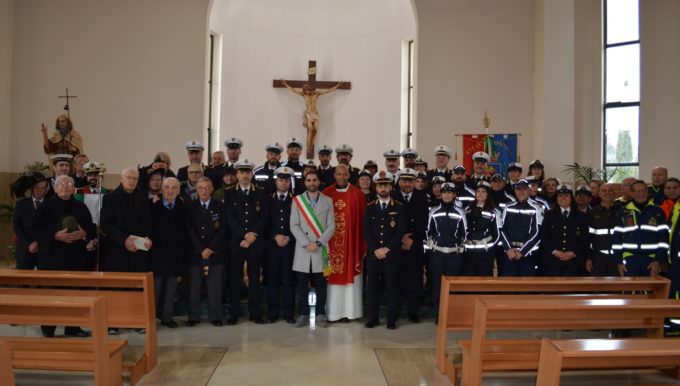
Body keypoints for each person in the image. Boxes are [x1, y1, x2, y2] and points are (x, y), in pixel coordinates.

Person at [30, 175, 96, 337]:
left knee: (74, 293)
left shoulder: (81, 207)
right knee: (50, 294)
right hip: (51, 258)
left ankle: (72, 327)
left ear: (74, 188)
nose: (65, 187)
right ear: (55, 187)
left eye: (68, 184)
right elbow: (34, 229)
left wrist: (84, 233)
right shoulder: (46, 207)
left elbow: (92, 229)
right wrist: (55, 235)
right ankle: (48, 328)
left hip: (75, 259)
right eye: (61, 184)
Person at [226, 160, 269, 325]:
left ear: (252, 174)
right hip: (237, 242)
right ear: (237, 174)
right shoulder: (229, 193)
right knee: (235, 278)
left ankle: (255, 313)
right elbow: (230, 218)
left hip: (256, 242)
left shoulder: (261, 192)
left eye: (247, 172)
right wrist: (244, 236)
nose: (244, 175)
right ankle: (233, 313)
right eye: (241, 172)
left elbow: (264, 217)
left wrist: (253, 236)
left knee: (254, 278)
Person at [290, 170, 336, 328]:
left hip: (321, 248)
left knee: (321, 284)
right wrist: (306, 243)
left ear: (319, 182)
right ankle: (302, 314)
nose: (311, 183)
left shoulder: (328, 201)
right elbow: (294, 225)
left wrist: (317, 243)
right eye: (308, 180)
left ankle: (320, 314)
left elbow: (332, 226)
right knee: (302, 284)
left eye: (314, 180)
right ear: (305, 182)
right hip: (303, 249)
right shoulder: (297, 201)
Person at [322, 164, 366, 321]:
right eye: (339, 174)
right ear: (334, 175)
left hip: (351, 244)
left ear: (349, 176)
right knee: (332, 275)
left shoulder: (358, 194)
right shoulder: (326, 193)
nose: (341, 177)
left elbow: (363, 222)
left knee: (351, 279)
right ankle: (333, 313)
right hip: (331, 245)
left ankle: (351, 312)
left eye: (345, 174)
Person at [364, 171, 405, 330]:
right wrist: (376, 250)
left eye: (386, 185)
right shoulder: (369, 207)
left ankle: (391, 319)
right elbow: (366, 231)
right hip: (374, 255)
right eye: (380, 185)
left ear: (390, 187)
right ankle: (372, 318)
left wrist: (386, 249)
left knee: (392, 287)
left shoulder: (399, 207)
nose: (383, 188)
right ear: (376, 187)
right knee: (372, 288)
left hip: (392, 254)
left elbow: (400, 231)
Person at [185, 177, 226, 327]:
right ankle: (193, 317)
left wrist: (210, 249)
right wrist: (201, 249)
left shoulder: (220, 206)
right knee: (194, 288)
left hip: (215, 253)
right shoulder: (190, 207)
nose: (204, 190)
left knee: (214, 287)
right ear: (196, 189)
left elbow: (222, 230)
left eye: (207, 187)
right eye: (201, 188)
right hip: (195, 254)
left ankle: (215, 316)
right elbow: (190, 230)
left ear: (212, 189)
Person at [149, 177, 188, 328]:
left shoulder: (184, 207)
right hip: (156, 254)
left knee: (171, 289)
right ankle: (151, 319)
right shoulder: (152, 205)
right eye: (167, 188)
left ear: (178, 191)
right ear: (162, 189)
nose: (170, 191)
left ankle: (167, 317)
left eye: (174, 188)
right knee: (155, 290)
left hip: (175, 255)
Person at [391, 169, 428, 323]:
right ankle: (396, 310)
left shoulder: (422, 197)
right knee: (396, 278)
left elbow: (424, 222)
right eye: (404, 180)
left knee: (415, 279)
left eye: (410, 180)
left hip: (415, 243)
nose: (407, 184)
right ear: (399, 182)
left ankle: (414, 311)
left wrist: (411, 238)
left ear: (414, 182)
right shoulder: (393, 196)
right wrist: (402, 237)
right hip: (396, 244)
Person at [100, 168, 153, 274]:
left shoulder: (143, 199)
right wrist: (124, 240)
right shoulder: (109, 198)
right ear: (122, 178)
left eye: (135, 179)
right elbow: (106, 224)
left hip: (138, 254)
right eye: (129, 178)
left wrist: (148, 237)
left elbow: (148, 223)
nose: (132, 181)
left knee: (137, 288)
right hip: (117, 252)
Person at [426, 182, 466, 321]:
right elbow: (428, 232)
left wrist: (460, 248)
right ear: (440, 194)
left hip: (454, 254)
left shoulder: (461, 212)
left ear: (454, 195)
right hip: (437, 255)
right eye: (444, 192)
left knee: (453, 285)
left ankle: (451, 313)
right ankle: (440, 314)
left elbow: (465, 233)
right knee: (438, 284)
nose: (447, 195)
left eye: (450, 192)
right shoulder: (434, 211)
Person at [612, 180, 668, 277]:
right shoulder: (624, 211)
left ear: (647, 192)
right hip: (629, 260)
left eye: (643, 190)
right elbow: (617, 238)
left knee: (650, 291)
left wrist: (658, 260)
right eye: (637, 191)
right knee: (630, 291)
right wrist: (619, 262)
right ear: (632, 193)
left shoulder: (657, 211)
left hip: (651, 260)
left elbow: (663, 239)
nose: (640, 194)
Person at [280, 79, 344, 157]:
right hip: (309, 114)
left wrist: (337, 86)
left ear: (310, 89)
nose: (307, 92)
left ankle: (311, 145)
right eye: (305, 91)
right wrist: (285, 85)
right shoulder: (303, 95)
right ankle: (308, 146)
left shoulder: (316, 94)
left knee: (315, 130)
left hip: (315, 114)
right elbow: (293, 90)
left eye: (307, 90)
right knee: (310, 128)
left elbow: (328, 91)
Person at [264, 167, 295, 324]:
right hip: (272, 247)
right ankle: (273, 313)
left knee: (289, 281)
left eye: (286, 180)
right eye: (281, 180)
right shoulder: (268, 199)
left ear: (290, 182)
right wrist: (275, 236)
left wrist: (288, 237)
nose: (283, 183)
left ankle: (289, 313)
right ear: (276, 181)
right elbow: (264, 222)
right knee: (272, 281)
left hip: (290, 247)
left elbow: (299, 223)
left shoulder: (296, 200)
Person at [540, 184, 589, 276]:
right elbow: (544, 236)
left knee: (572, 289)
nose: (563, 198)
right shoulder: (549, 215)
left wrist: (573, 253)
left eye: (566, 195)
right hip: (552, 261)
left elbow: (584, 238)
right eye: (560, 196)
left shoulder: (581, 216)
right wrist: (555, 251)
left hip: (574, 262)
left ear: (571, 198)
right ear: (556, 199)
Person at [499, 179, 541, 276]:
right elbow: (502, 229)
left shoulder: (536, 208)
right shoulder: (508, 207)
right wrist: (508, 249)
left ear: (529, 191)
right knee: (508, 287)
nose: (521, 192)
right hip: (510, 254)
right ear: (515, 191)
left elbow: (537, 232)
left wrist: (523, 251)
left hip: (528, 254)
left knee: (527, 288)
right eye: (518, 189)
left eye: (524, 189)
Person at [11, 171, 48, 270]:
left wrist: (38, 243)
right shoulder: (21, 204)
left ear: (46, 189)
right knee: (22, 282)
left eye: (42, 188)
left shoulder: (50, 205)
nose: (39, 190)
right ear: (31, 188)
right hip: (24, 249)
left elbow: (51, 227)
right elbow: (17, 226)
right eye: (36, 187)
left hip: (44, 250)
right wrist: (29, 243)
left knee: (42, 282)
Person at [463, 181, 499, 276]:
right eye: (478, 191)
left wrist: (491, 248)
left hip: (485, 253)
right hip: (469, 252)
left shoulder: (494, 211)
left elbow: (498, 233)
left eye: (483, 191)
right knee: (469, 281)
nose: (480, 194)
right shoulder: (467, 209)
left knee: (484, 281)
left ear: (488, 194)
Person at [586, 183, 621, 276]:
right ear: (599, 193)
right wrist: (588, 258)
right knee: (598, 287)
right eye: (604, 191)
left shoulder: (622, 211)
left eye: (610, 190)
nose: (607, 193)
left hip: (617, 257)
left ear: (614, 193)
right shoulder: (592, 213)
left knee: (616, 288)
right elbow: (588, 238)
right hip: (598, 257)